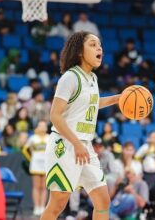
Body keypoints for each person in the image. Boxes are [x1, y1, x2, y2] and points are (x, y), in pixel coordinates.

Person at [40, 31, 120, 220]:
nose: (99, 48)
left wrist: (117, 99)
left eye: (100, 45)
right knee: (58, 203)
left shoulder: (92, 78)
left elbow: (91, 103)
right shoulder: (70, 77)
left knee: (103, 200)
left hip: (84, 146)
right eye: (92, 44)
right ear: (79, 52)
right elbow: (55, 115)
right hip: (65, 145)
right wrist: (76, 144)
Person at [22, 120, 49, 216]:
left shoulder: (49, 138)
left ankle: (42, 207)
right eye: (40, 126)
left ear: (46, 128)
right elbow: (25, 149)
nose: (42, 127)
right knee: (36, 186)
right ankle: (36, 207)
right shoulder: (33, 138)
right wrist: (31, 158)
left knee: (44, 187)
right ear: (37, 127)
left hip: (46, 164)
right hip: (36, 164)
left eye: (44, 126)